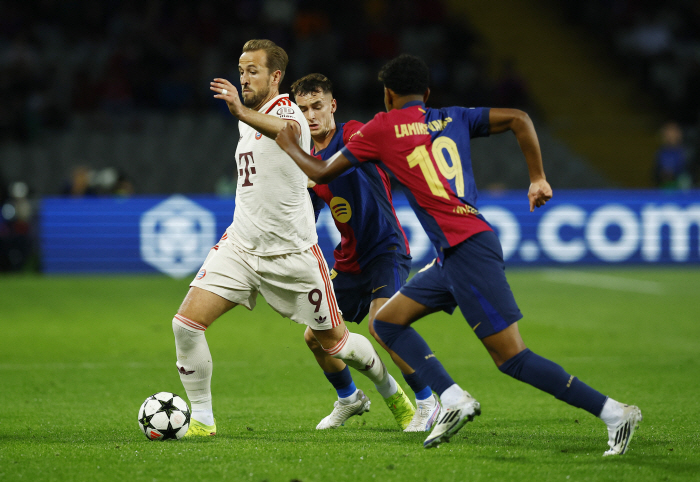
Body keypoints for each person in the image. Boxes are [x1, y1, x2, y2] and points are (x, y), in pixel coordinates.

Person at [275, 54, 642, 455]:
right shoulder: (454, 116)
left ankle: (613, 413)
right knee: (388, 324)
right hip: (454, 252)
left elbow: (323, 171)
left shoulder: (381, 127)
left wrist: (289, 142)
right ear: (427, 94)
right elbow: (520, 118)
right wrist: (537, 177)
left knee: (512, 358)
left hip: (467, 250)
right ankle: (451, 399)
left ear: (387, 95)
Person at [174, 39, 395, 437]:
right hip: (241, 246)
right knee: (186, 325)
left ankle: (392, 394)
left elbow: (288, 131)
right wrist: (243, 112)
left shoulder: (290, 111)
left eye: (252, 71)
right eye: (241, 71)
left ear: (276, 76)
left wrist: (241, 109)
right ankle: (202, 421)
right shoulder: (247, 118)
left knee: (337, 344)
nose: (244, 78)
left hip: (292, 255)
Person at [291, 73, 440, 432]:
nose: (311, 116)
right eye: (303, 109)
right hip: (349, 260)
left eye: (317, 106)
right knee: (315, 337)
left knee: (383, 325)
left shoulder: (354, 133)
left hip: (386, 250)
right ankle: (349, 399)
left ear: (332, 106)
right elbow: (306, 216)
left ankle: (427, 402)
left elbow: (355, 155)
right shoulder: (308, 160)